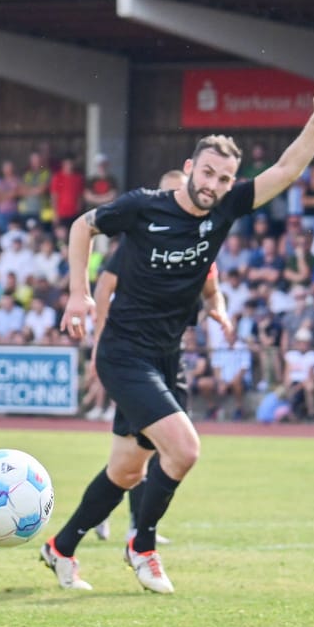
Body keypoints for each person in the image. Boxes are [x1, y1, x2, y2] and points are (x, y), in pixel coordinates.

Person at [43, 66, 314, 594]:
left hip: (167, 356)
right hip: (124, 353)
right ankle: (143, 546)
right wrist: (78, 291)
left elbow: (287, 169)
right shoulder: (143, 208)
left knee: (125, 472)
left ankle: (60, 548)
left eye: (224, 178)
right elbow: (81, 226)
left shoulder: (226, 209)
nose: (214, 185)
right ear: (189, 168)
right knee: (184, 450)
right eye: (207, 173)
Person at [89, 168, 199, 544]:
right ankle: (130, 526)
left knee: (138, 455)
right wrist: (99, 349)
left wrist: (219, 305)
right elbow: (104, 288)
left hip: (164, 355)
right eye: (166, 194)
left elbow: (210, 287)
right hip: (133, 354)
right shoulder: (139, 238)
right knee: (139, 452)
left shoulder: (194, 243)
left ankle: (116, 522)